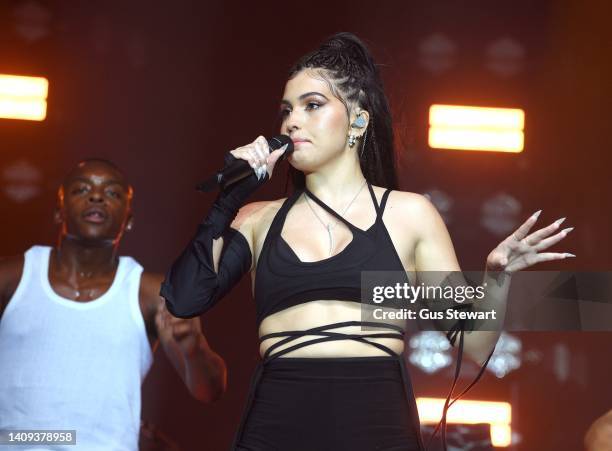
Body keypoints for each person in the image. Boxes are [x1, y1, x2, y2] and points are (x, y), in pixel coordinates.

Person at [161, 33, 574, 450]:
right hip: (279, 416)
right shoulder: (258, 219)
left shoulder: (408, 215)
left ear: (358, 121)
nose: (291, 122)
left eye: (312, 105)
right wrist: (230, 197)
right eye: (287, 110)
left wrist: (496, 277)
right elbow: (185, 298)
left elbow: (475, 346)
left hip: (375, 416)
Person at [0, 159, 226, 451]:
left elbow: (209, 391)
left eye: (113, 193)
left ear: (128, 219)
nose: (96, 196)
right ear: (59, 211)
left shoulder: (153, 295)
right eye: (82, 189)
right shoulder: (11, 276)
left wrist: (194, 348)